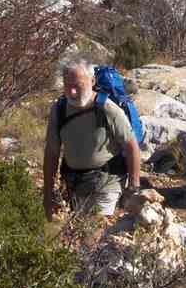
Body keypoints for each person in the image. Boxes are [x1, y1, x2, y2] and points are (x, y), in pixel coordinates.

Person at [43, 60, 141, 220]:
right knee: (75, 233)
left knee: (93, 230)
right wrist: (48, 193)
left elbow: (131, 146)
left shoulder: (107, 108)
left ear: (92, 81)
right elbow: (52, 152)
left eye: (78, 85)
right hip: (73, 184)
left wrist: (133, 186)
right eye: (68, 86)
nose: (73, 92)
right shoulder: (59, 109)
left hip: (107, 183)